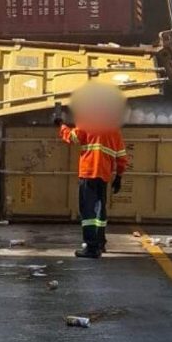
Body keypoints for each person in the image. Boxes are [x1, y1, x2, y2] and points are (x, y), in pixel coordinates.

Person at [54, 101, 128, 258]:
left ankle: (91, 248)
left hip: (88, 173)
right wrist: (119, 176)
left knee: (87, 211)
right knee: (100, 210)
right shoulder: (113, 130)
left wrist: (61, 125)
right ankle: (100, 243)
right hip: (104, 175)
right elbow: (121, 156)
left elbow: (72, 138)